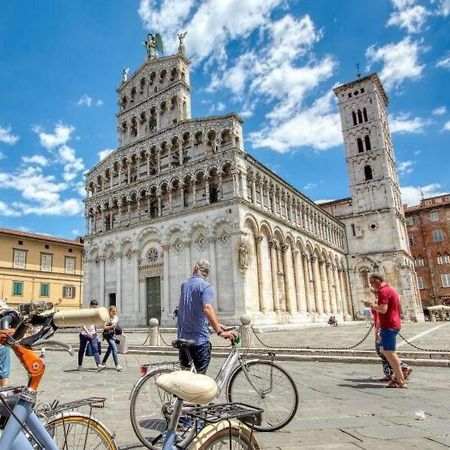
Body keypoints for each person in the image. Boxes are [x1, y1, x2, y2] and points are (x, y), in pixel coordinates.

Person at [177, 259, 237, 374]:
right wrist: (219, 331)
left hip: (183, 339)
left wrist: (217, 324)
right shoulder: (206, 287)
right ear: (207, 273)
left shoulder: (184, 285)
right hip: (198, 342)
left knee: (185, 380)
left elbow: (191, 311)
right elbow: (207, 308)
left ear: (196, 268)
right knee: (199, 381)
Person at [363, 274, 407, 388]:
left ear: (377, 281)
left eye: (372, 282)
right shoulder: (391, 290)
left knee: (390, 353)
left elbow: (383, 310)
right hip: (394, 323)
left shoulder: (383, 291)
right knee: (386, 351)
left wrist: (371, 305)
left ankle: (400, 380)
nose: (371, 285)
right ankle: (398, 378)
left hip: (388, 325)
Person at [78, 300, 105, 372]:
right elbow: (82, 324)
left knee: (95, 348)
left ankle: (98, 365)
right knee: (82, 349)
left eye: (96, 307)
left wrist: (95, 332)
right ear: (90, 305)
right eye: (94, 307)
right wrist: (87, 332)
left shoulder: (95, 313)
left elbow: (94, 324)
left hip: (93, 333)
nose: (95, 308)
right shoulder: (85, 313)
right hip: (84, 334)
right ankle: (80, 365)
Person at [101, 306, 122, 371]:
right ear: (109, 311)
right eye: (113, 311)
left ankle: (103, 362)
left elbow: (117, 325)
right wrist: (111, 326)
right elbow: (104, 327)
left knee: (109, 349)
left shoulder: (116, 317)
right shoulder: (107, 318)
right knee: (114, 348)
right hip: (108, 335)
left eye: (115, 311)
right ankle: (117, 365)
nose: (114, 313)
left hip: (114, 335)